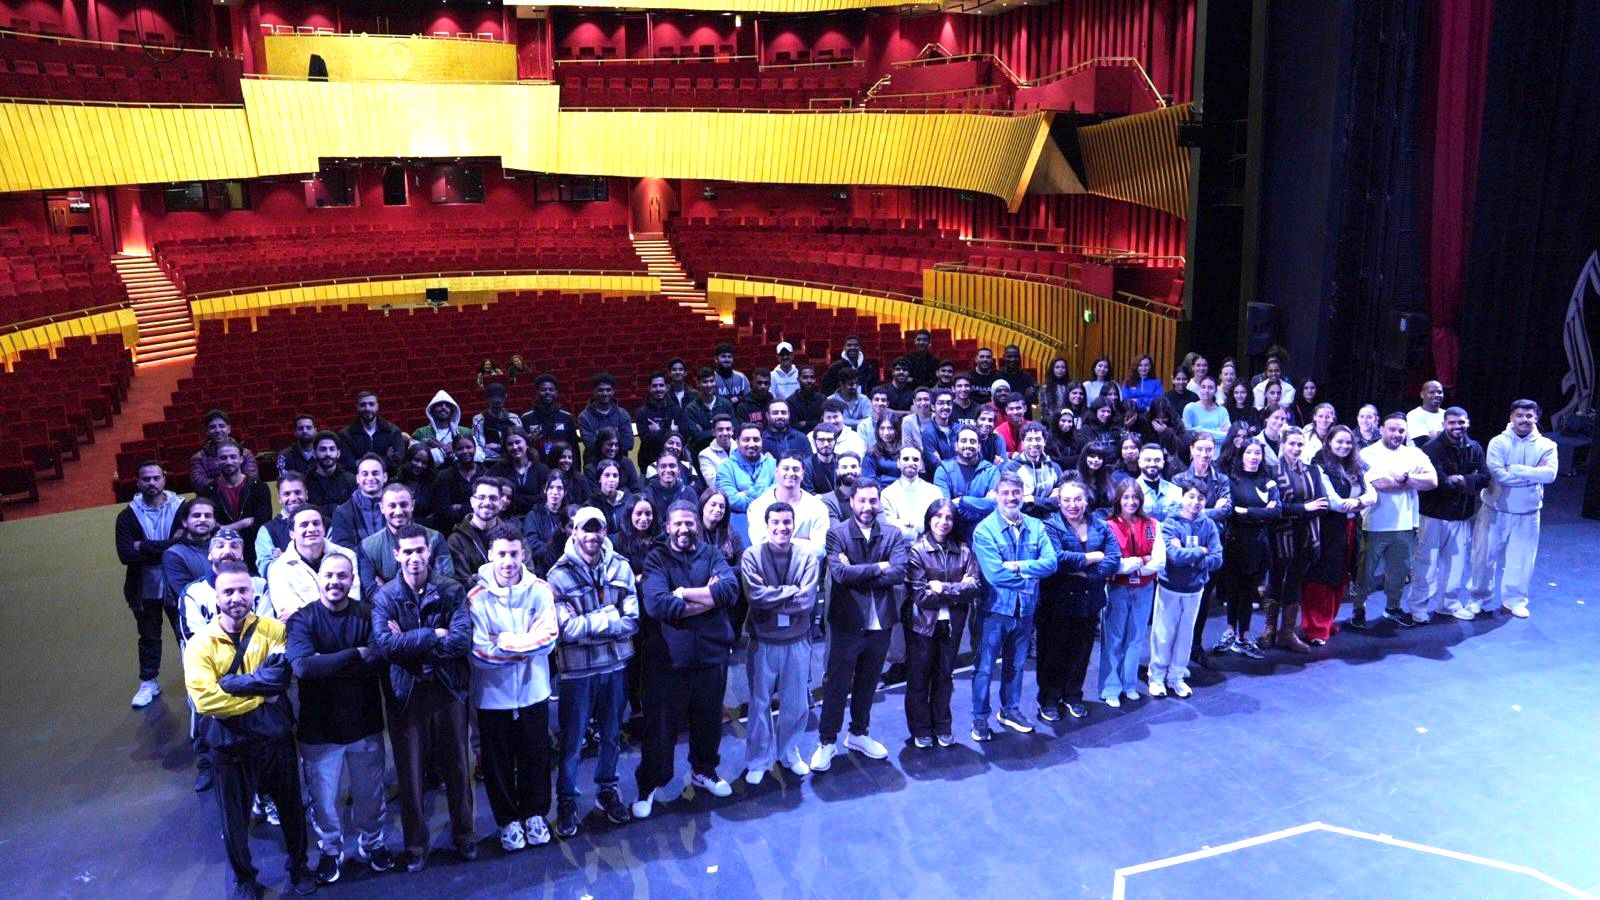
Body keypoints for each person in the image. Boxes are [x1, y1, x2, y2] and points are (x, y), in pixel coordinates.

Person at [184, 561, 315, 898]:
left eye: (243, 590)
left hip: (275, 740)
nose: (236, 597)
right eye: (228, 591)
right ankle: (244, 880)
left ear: (252, 593)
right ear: (216, 597)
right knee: (234, 820)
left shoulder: (275, 630)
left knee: (291, 809)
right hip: (230, 747)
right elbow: (205, 700)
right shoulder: (200, 644)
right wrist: (259, 697)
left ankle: (299, 866)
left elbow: (280, 678)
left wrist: (230, 684)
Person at [370, 524, 475, 873]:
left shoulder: (451, 589)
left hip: (447, 688)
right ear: (396, 555)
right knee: (410, 774)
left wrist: (411, 642)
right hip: (407, 693)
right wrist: (433, 633)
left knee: (458, 767)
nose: (414, 557)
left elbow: (460, 641)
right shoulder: (385, 597)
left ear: (429, 552)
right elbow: (386, 646)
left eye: (420, 550)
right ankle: (415, 845)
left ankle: (464, 835)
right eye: (408, 551)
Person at [285, 554, 394, 883]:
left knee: (370, 795)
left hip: (364, 724)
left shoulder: (368, 614)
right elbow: (303, 667)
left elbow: (379, 658)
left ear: (352, 580)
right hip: (318, 730)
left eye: (342, 576)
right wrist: (354, 654)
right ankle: (331, 850)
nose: (335, 581)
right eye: (329, 575)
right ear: (319, 578)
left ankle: (372, 843)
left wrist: (327, 662)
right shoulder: (302, 619)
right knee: (323, 801)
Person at [633, 501, 740, 817]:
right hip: (667, 663)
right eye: (677, 523)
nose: (684, 529)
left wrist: (682, 593)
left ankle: (703, 770)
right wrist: (708, 598)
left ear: (697, 526)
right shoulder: (655, 559)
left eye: (689, 523)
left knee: (709, 722)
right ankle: (649, 785)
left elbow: (730, 591)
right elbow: (658, 605)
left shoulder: (712, 554)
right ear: (667, 527)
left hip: (711, 656)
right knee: (660, 730)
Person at [466, 525, 560, 853]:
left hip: (534, 692)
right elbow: (479, 653)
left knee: (536, 757)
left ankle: (535, 815)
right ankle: (508, 821)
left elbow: (548, 639)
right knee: (498, 764)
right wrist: (526, 645)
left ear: (523, 554)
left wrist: (503, 641)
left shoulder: (541, 590)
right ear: (491, 555)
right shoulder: (476, 597)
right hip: (493, 698)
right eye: (502, 554)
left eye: (514, 554)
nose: (508, 561)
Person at [546, 507, 639, 836]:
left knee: (612, 736)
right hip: (577, 672)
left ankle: (607, 790)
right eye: (585, 529)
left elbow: (632, 620)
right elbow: (565, 630)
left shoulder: (622, 567)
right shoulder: (557, 576)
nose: (592, 535)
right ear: (573, 532)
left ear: (604, 532)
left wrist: (589, 623)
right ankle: (567, 800)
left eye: (597, 529)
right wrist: (609, 617)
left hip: (614, 666)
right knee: (572, 742)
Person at [812, 481, 905, 770]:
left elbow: (899, 572)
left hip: (881, 622)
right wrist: (879, 567)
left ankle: (858, 734)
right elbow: (840, 575)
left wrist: (857, 571)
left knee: (868, 682)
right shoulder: (836, 533)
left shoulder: (892, 533)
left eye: (873, 501)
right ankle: (827, 741)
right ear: (851, 502)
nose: (867, 507)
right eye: (862, 500)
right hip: (847, 623)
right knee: (837, 684)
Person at [969, 472, 1058, 740]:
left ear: (1023, 495)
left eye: (1016, 492)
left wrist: (1019, 566)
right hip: (993, 610)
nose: (1011, 497)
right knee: (985, 668)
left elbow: (1051, 563)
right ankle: (979, 718)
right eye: (1005, 492)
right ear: (996, 496)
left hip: (1026, 610)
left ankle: (1010, 710)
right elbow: (995, 574)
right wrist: (1031, 577)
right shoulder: (984, 530)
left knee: (1016, 665)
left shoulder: (1036, 526)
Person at [739, 502, 822, 783]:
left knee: (796, 703)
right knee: (759, 703)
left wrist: (772, 594)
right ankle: (758, 759)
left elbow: (807, 601)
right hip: (762, 641)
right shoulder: (751, 556)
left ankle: (789, 753)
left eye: (786, 522)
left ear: (794, 524)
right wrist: (790, 591)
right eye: (775, 522)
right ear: (766, 525)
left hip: (797, 640)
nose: (781, 527)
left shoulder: (807, 556)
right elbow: (755, 597)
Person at [1467, 399, 1558, 619]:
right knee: (1483, 558)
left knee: (1522, 560)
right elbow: (1498, 475)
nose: (1524, 419)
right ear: (1511, 417)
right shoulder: (1498, 442)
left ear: (1536, 418)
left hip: (1528, 513)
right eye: (1520, 415)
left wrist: (1515, 469)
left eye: (1529, 416)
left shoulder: (1547, 445)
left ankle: (1514, 601)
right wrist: (1533, 475)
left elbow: (1550, 475)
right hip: (1495, 509)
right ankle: (1477, 599)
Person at [1038, 482, 1120, 722]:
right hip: (1057, 600)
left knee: (1081, 651)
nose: (1072, 505)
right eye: (1066, 500)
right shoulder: (1050, 525)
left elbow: (1113, 559)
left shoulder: (1101, 526)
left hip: (1089, 600)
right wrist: (1091, 557)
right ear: (1059, 502)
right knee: (1052, 652)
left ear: (1086, 501)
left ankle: (1073, 695)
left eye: (1077, 499)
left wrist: (1086, 574)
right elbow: (1056, 558)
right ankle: (1049, 699)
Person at [903, 500, 980, 747]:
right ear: (929, 518)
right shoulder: (917, 551)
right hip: (922, 625)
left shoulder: (964, 550)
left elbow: (975, 587)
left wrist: (942, 587)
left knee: (945, 676)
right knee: (919, 678)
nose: (943, 522)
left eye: (949, 517)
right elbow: (921, 595)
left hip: (952, 626)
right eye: (938, 516)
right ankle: (921, 729)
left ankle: (942, 726)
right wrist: (958, 588)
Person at [1405, 407, 1490, 624]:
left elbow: (1485, 478)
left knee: (1455, 566)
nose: (1457, 426)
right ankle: (1418, 607)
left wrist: (1461, 479)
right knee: (1425, 564)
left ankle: (1448, 604)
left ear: (1467, 423)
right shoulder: (1431, 449)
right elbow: (1439, 483)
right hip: (1432, 515)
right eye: (1452, 422)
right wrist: (1468, 480)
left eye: (1461, 422)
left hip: (1461, 516)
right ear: (1444, 424)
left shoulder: (1475, 448)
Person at [1355, 412, 1439, 628]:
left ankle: (1392, 608)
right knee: (1365, 573)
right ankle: (1358, 609)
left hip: (1405, 523)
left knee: (1399, 572)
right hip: (1373, 523)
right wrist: (1412, 481)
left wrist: (1404, 477)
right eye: (1392, 429)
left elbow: (1432, 481)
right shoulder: (1366, 454)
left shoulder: (1415, 453)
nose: (1397, 434)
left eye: (1401, 430)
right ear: (1381, 429)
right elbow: (1382, 484)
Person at [115, 460, 182, 708]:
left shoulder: (182, 508)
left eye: (155, 478)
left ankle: (198, 682)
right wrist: (168, 546)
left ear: (164, 478)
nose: (151, 483)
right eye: (146, 479)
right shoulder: (126, 516)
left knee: (187, 634)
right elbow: (125, 555)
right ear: (138, 482)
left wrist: (142, 546)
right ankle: (149, 682)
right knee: (149, 637)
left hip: (178, 584)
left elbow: (187, 542)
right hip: (144, 587)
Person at [1148, 485, 1223, 698]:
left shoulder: (1209, 525)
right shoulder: (1170, 523)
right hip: (1170, 587)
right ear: (1182, 498)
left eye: (1200, 498)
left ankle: (1176, 677)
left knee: (1185, 635)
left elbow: (1217, 558)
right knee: (1163, 634)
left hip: (1195, 589)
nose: (1195, 502)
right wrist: (1201, 551)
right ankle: (1157, 677)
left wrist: (1193, 559)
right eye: (1191, 496)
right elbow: (1174, 556)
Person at [1302, 425, 1374, 643]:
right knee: (1321, 576)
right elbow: (1335, 503)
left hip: (1350, 527)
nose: (1344, 446)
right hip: (1328, 527)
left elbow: (1373, 495)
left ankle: (1327, 621)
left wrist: (1358, 501)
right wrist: (1359, 502)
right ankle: (1314, 628)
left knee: (1341, 575)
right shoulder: (1319, 464)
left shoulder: (1357, 465)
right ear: (1329, 442)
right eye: (1339, 442)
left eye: (1348, 442)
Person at [1260, 430, 1326, 653]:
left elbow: (1322, 503)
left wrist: (1297, 510)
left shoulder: (1312, 470)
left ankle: (1287, 632)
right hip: (1279, 533)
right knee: (1275, 579)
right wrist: (1304, 508)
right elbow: (1274, 507)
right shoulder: (1271, 471)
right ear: (1283, 444)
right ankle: (1269, 628)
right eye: (1292, 444)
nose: (1296, 448)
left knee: (1295, 581)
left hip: (1306, 533)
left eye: (1300, 444)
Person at [1101, 481, 1165, 707]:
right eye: (1126, 497)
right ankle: (1111, 688)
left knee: (1136, 639)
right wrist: (1139, 561)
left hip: (1145, 588)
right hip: (1116, 588)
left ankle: (1129, 685)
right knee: (1114, 639)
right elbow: (1112, 564)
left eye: (1135, 497)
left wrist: (1131, 566)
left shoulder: (1152, 524)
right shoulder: (1107, 526)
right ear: (1118, 499)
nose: (1131, 502)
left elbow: (1159, 561)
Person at [1215, 441, 1278, 658]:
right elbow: (1230, 511)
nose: (1253, 456)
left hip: (1258, 544)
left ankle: (1244, 636)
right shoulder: (1230, 480)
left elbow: (1275, 512)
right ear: (1241, 455)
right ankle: (1230, 632)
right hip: (1234, 542)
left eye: (1257, 453)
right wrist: (1260, 511)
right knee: (1233, 590)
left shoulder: (1268, 481)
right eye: (1249, 452)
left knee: (1249, 591)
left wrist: (1246, 511)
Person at [357, 483, 454, 598]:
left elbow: (445, 582)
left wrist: (386, 590)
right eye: (392, 506)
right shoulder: (367, 547)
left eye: (403, 505)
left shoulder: (435, 538)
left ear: (412, 505)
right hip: (388, 610)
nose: (398, 512)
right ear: (382, 508)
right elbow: (370, 590)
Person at [268, 507, 359, 620]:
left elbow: (353, 602)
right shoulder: (278, 569)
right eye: (304, 525)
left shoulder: (347, 556)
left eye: (316, 523)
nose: (311, 529)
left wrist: (303, 613)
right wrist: (333, 610)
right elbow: (290, 617)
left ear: (324, 529)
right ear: (292, 533)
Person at [201, 440, 273, 572]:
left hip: (255, 552)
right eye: (223, 458)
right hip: (223, 556)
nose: (228, 461)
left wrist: (223, 527)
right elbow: (209, 529)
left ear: (241, 459)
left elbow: (262, 525)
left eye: (233, 457)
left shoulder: (259, 487)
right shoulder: (208, 491)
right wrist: (244, 523)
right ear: (216, 461)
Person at [748, 452, 832, 556]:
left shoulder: (818, 507)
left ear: (803, 474)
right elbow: (760, 545)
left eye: (796, 469)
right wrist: (804, 542)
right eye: (786, 468)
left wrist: (779, 541)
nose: (791, 473)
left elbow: (819, 549)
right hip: (769, 564)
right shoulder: (758, 506)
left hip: (806, 565)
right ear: (776, 472)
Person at [715, 422, 775, 543]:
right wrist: (764, 495)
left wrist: (748, 492)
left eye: (756, 440)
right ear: (737, 442)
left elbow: (779, 494)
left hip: (771, 517)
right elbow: (731, 500)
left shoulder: (772, 464)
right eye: (746, 440)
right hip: (739, 520)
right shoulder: (725, 467)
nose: (752, 444)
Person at [934, 425, 999, 537]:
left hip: (985, 532)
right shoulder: (943, 470)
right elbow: (946, 508)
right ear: (956, 446)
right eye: (963, 441)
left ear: (979, 447)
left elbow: (995, 505)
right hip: (952, 533)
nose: (968, 445)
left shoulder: (991, 471)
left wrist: (962, 501)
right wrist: (982, 506)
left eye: (972, 441)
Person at [882, 445, 944, 542]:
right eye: (905, 459)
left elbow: (939, 523)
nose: (911, 463)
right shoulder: (887, 494)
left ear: (921, 464)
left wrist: (903, 523)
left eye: (915, 459)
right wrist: (921, 525)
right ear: (898, 463)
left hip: (929, 546)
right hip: (898, 547)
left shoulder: (934, 492)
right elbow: (888, 528)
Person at [337, 390, 408, 474]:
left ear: (377, 406)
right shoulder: (345, 435)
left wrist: (360, 461)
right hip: (358, 481)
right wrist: (386, 458)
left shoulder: (393, 431)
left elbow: (396, 462)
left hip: (388, 479)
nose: (367, 408)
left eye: (371, 404)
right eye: (362, 405)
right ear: (357, 407)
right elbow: (349, 466)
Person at [427, 433, 486, 533]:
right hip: (452, 529)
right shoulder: (444, 476)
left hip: (482, 526)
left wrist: (460, 507)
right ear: (454, 451)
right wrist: (471, 510)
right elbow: (443, 510)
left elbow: (487, 507)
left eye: (468, 447)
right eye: (460, 449)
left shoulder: (485, 474)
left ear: (475, 448)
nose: (465, 451)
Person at [190, 409, 260, 492]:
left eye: (221, 426)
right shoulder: (198, 458)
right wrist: (228, 486)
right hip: (213, 498)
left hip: (243, 496)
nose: (217, 430)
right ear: (207, 431)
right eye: (212, 427)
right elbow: (199, 484)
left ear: (229, 429)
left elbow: (251, 480)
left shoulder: (246, 454)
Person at [256, 473, 309, 577]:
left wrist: (285, 558)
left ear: (306, 494)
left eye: (298, 492)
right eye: (287, 494)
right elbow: (266, 570)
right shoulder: (267, 530)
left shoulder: (324, 523)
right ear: (279, 498)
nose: (293, 498)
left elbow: (333, 561)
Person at [447, 477, 503, 577]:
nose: (487, 502)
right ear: (472, 502)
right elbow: (461, 580)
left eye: (493, 498)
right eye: (481, 497)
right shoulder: (456, 540)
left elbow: (526, 573)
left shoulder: (514, 537)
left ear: (501, 503)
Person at [329, 454, 387, 549]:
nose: (370, 478)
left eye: (375, 473)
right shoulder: (342, 512)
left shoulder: (396, 508)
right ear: (357, 478)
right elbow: (342, 548)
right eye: (365, 474)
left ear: (384, 477)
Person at [488, 431, 547, 518]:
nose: (515, 447)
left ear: (527, 444)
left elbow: (544, 498)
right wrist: (533, 499)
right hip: (506, 518)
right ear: (506, 448)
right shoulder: (498, 469)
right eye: (510, 444)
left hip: (536, 518)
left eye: (518, 442)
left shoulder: (541, 469)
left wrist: (512, 498)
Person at [578, 373, 634, 463]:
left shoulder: (623, 414)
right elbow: (590, 445)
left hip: (619, 464)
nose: (605, 393)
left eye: (608, 390)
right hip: (594, 465)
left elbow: (628, 444)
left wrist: (602, 443)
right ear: (594, 391)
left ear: (613, 391)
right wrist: (615, 444)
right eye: (601, 390)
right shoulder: (584, 417)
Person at [522, 472, 571, 573]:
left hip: (569, 564)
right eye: (551, 487)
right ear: (545, 490)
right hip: (542, 566)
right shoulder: (533, 515)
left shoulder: (569, 515)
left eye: (559, 488)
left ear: (565, 492)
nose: (555, 492)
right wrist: (554, 551)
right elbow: (532, 545)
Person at [522, 374, 579, 460]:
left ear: (556, 392)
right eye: (543, 390)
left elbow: (574, 447)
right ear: (537, 392)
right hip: (537, 463)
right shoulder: (526, 418)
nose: (547, 392)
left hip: (562, 463)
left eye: (551, 390)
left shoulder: (567, 417)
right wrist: (529, 442)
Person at [414, 391, 476, 468]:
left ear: (452, 410)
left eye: (447, 405)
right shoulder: (420, 433)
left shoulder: (466, 432)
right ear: (432, 410)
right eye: (439, 405)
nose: (443, 407)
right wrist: (447, 450)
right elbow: (413, 458)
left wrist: (441, 448)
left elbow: (478, 456)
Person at [685, 369, 737, 458]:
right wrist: (722, 431)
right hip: (700, 453)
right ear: (698, 383)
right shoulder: (691, 409)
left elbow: (734, 429)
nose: (709, 385)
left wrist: (705, 432)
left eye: (711, 381)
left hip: (727, 452)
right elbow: (697, 437)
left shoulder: (725, 404)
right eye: (705, 382)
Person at [635, 371, 683, 467]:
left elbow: (684, 435)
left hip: (674, 462)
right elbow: (645, 439)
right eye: (654, 386)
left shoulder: (677, 410)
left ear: (666, 387)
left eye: (661, 385)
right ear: (649, 388)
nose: (658, 389)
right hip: (648, 461)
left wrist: (657, 432)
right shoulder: (641, 412)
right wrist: (671, 432)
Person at [305, 431, 357, 516]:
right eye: (323, 449)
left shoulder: (351, 481)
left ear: (338, 453)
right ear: (314, 453)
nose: (328, 454)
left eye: (332, 449)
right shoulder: (305, 482)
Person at [1134, 444, 1184, 521]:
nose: (1152, 464)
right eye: (1147, 460)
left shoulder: (1175, 491)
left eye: (1157, 460)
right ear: (1139, 463)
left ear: (1163, 463)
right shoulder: (1131, 491)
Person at [1182, 375, 1230, 443]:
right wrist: (1218, 430)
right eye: (1203, 387)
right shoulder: (1190, 408)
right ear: (1199, 389)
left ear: (1215, 390)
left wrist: (1199, 430)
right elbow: (1187, 434)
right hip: (1196, 447)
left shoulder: (1222, 411)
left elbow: (1226, 435)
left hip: (1218, 448)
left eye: (1210, 388)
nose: (1206, 390)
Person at [862, 413, 902, 488]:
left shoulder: (906, 451)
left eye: (890, 428)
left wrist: (881, 479)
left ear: (897, 430)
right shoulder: (871, 454)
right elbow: (868, 482)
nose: (886, 433)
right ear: (877, 430)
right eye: (882, 428)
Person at [697, 413, 736, 489]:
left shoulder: (742, 448)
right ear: (713, 432)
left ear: (732, 431)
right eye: (720, 429)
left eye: (728, 429)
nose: (725, 433)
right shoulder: (705, 455)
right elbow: (714, 484)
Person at [275, 414, 319, 480]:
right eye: (300, 428)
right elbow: (284, 482)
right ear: (295, 432)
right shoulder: (284, 456)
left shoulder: (324, 452)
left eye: (309, 427)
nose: (305, 431)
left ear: (315, 431)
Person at [787, 364, 824, 433]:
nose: (809, 381)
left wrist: (806, 423)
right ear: (798, 379)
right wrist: (816, 423)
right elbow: (794, 426)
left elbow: (825, 423)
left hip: (821, 435)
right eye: (805, 377)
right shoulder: (790, 402)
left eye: (812, 377)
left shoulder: (822, 399)